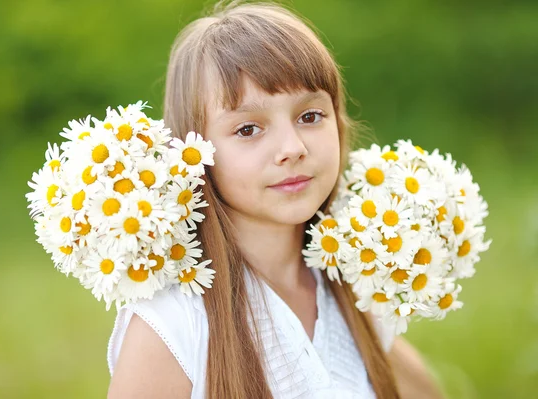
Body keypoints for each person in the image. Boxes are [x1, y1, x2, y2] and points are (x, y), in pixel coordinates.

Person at [107, 1, 445, 398]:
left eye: (309, 116)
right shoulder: (174, 324)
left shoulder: (353, 286)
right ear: (193, 153)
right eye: (248, 128)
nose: (292, 147)